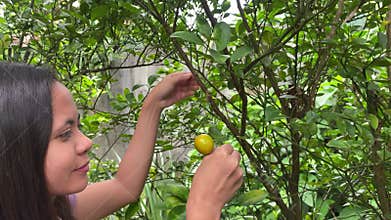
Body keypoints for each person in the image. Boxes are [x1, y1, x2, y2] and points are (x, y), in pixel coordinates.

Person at [0, 62, 243, 220]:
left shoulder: (52, 208)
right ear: (16, 153)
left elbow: (124, 186)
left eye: (78, 125)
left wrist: (153, 105)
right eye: (65, 134)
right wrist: (204, 207)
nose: (86, 142)